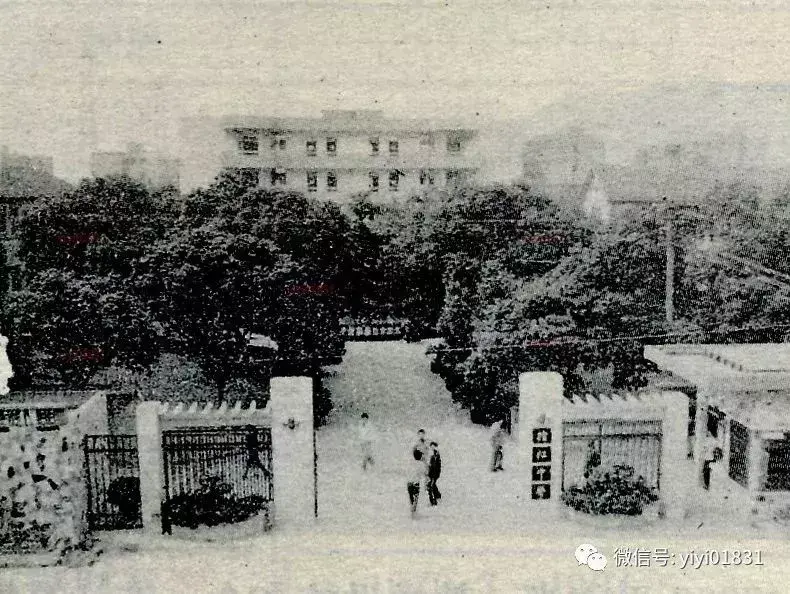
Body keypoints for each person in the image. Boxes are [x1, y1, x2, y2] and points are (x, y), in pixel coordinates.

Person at [408, 448, 427, 517]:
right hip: (416, 482)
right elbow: (425, 472)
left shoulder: (411, 463)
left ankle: (412, 511)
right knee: (416, 497)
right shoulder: (421, 464)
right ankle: (414, 511)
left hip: (409, 482)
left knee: (411, 497)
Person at [427, 441, 442, 506]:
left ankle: (433, 501)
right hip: (433, 473)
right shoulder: (434, 455)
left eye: (432, 446)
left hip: (434, 474)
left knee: (430, 486)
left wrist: (432, 475)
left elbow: (435, 466)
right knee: (432, 485)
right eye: (431, 446)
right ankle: (438, 495)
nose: (431, 448)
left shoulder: (435, 455)